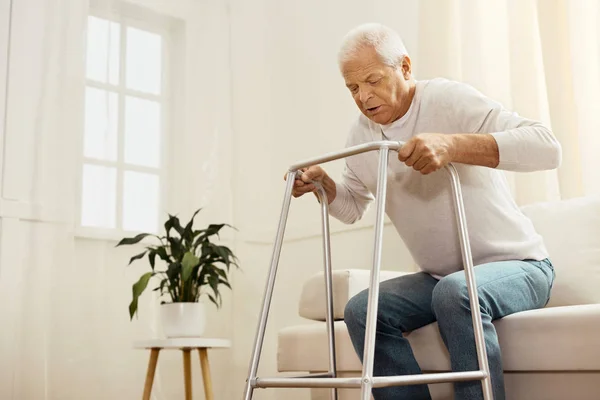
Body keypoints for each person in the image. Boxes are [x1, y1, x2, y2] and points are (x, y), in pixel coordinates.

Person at [287, 23, 560, 400]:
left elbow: (547, 147)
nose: (364, 97)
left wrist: (453, 145)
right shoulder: (361, 136)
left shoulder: (447, 99)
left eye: (373, 80)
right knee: (363, 311)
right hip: (441, 275)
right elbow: (351, 208)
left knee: (454, 292)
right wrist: (325, 186)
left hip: (522, 266)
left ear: (405, 66)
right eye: (353, 88)